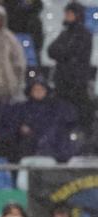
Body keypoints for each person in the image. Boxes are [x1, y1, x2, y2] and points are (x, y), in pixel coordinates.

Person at [47, 2, 93, 132]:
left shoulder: (84, 34)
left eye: (70, 13)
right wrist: (64, 54)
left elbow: (73, 52)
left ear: (77, 15)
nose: (67, 16)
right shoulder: (65, 33)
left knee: (80, 115)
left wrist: (63, 53)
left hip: (77, 83)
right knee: (61, 114)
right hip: (62, 81)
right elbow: (51, 50)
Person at [13, 81, 78, 161]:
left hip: (53, 145)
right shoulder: (22, 108)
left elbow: (69, 121)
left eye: (41, 89)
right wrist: (22, 128)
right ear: (30, 92)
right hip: (29, 145)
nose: (38, 92)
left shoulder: (57, 106)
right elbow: (14, 124)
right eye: (35, 89)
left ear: (46, 91)